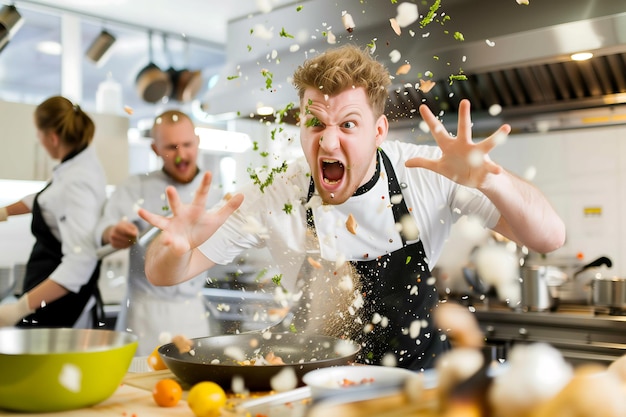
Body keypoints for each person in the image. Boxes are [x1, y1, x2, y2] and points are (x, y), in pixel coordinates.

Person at [138, 44, 566, 370]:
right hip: (321, 393)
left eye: (347, 124)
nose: (327, 141)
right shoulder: (277, 192)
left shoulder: (423, 172)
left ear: (378, 130)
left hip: (417, 392)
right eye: (315, 123)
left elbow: (549, 236)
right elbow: (161, 274)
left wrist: (493, 179)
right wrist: (173, 247)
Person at [95, 110, 221, 356]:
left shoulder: (214, 194)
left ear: (197, 142)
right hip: (144, 314)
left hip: (191, 313)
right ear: (154, 149)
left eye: (186, 145)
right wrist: (113, 233)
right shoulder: (136, 187)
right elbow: (104, 227)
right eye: (171, 147)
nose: (181, 155)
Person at [0, 96, 107, 328]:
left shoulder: (76, 184)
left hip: (63, 309)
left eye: (38, 133)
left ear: (52, 138)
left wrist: (17, 309)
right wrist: (4, 212)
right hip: (50, 304)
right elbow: (46, 198)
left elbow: (80, 262)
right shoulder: (77, 164)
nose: (38, 140)